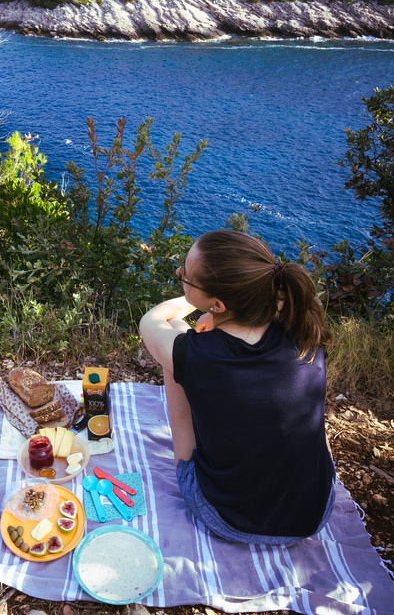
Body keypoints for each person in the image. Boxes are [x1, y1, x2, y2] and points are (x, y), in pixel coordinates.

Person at [139, 230, 335, 545]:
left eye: (186, 276)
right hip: (313, 515)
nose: (179, 273)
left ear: (218, 302)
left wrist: (201, 310)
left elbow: (152, 320)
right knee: (183, 346)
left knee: (176, 346)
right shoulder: (303, 330)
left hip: (229, 519)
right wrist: (215, 312)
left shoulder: (202, 355)